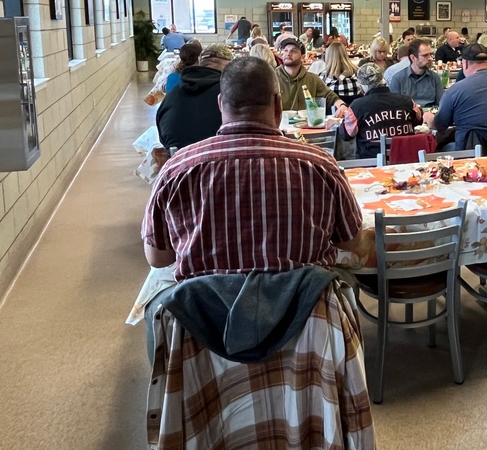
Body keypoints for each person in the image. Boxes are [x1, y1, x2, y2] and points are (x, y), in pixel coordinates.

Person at [143, 56, 362, 281]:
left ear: (220, 104)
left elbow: (157, 258)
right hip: (304, 308)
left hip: (208, 311)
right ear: (278, 104)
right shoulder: (320, 165)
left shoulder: (177, 169)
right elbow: (351, 241)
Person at [424, 43, 487, 150]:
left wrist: (428, 117)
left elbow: (440, 125)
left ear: (465, 63)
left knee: (437, 148)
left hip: (470, 153)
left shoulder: (455, 90)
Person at [156, 44, 234, 154]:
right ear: (228, 65)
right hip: (215, 162)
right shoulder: (230, 92)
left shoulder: (172, 94)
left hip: (177, 162)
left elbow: (162, 134)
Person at [340, 63, 423, 158]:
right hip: (404, 160)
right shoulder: (408, 101)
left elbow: (346, 134)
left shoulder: (357, 107)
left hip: (371, 163)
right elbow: (419, 120)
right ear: (383, 80)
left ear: (362, 87)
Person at [274, 37, 349, 117]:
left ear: (302, 57)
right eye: (285, 50)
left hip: (307, 126)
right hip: (279, 125)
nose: (288, 53)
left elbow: (330, 96)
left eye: (293, 51)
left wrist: (342, 105)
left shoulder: (312, 79)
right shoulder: (272, 78)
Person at [388, 38, 444, 109]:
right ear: (413, 58)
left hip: (430, 115)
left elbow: (441, 105)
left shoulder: (435, 78)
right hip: (407, 116)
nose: (430, 58)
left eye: (431, 54)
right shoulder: (398, 79)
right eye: (425, 55)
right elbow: (394, 108)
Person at [317, 41, 362, 107]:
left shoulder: (322, 77)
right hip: (355, 112)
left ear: (328, 56)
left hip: (332, 114)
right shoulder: (359, 74)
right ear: (345, 54)